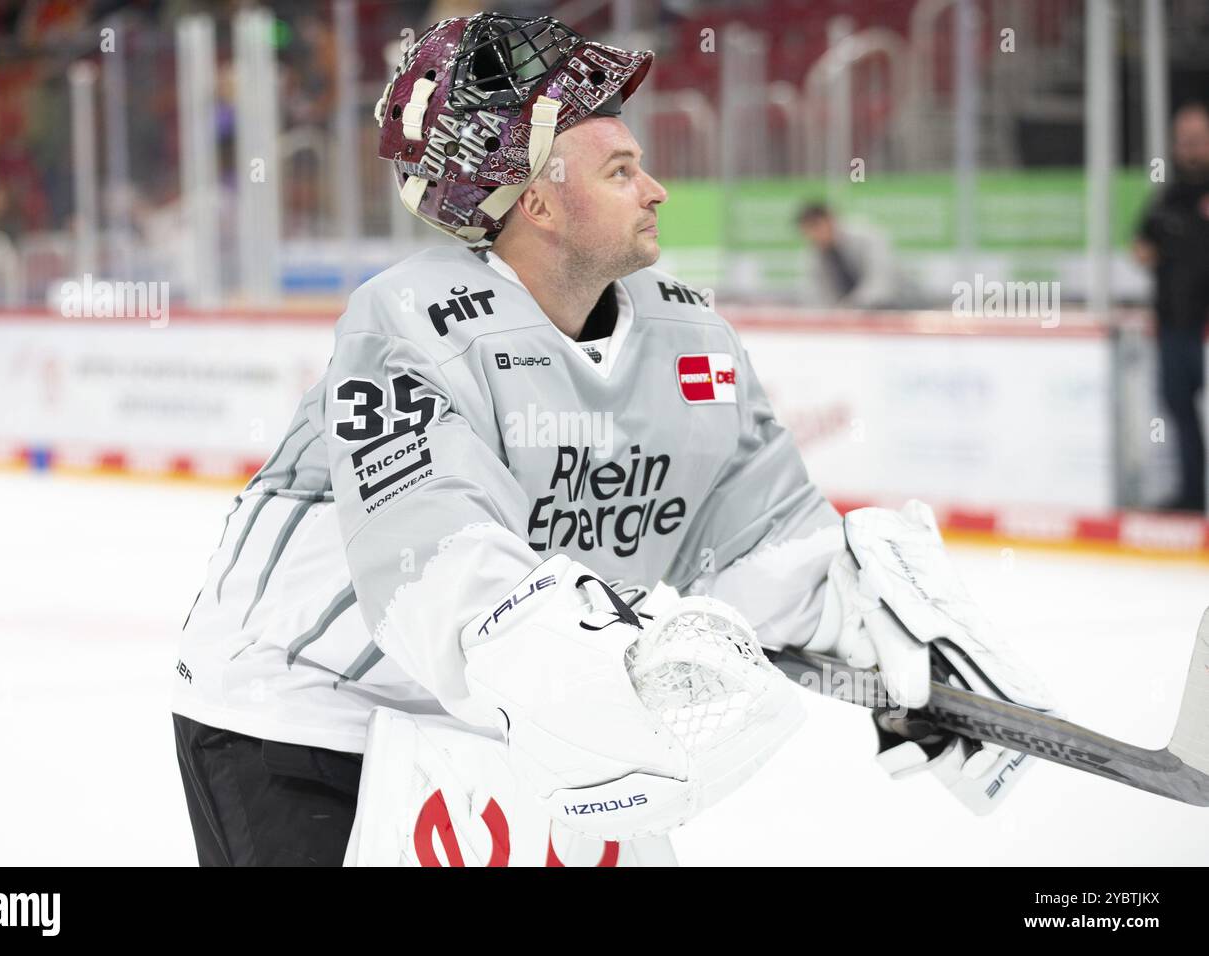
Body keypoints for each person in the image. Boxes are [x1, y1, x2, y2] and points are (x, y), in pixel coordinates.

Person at [172, 12, 1055, 867]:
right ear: (540, 204)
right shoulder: (412, 320)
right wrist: (615, 661)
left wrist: (884, 645)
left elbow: (758, 538)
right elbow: (438, 565)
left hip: (512, 716)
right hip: (304, 714)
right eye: (622, 170)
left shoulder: (689, 337)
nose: (657, 188)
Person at [1133, 102, 1209, 513]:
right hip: (1175, 325)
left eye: (1197, 140)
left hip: (1205, 326)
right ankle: (1193, 495)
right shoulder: (1169, 193)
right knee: (1179, 408)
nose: (1190, 149)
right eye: (1184, 141)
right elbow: (1140, 244)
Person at [795, 201, 906, 309]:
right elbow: (820, 295)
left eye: (815, 227)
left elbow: (881, 284)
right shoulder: (815, 255)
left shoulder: (866, 237)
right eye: (807, 232)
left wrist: (851, 307)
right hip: (853, 316)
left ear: (829, 220)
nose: (813, 236)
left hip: (900, 306)